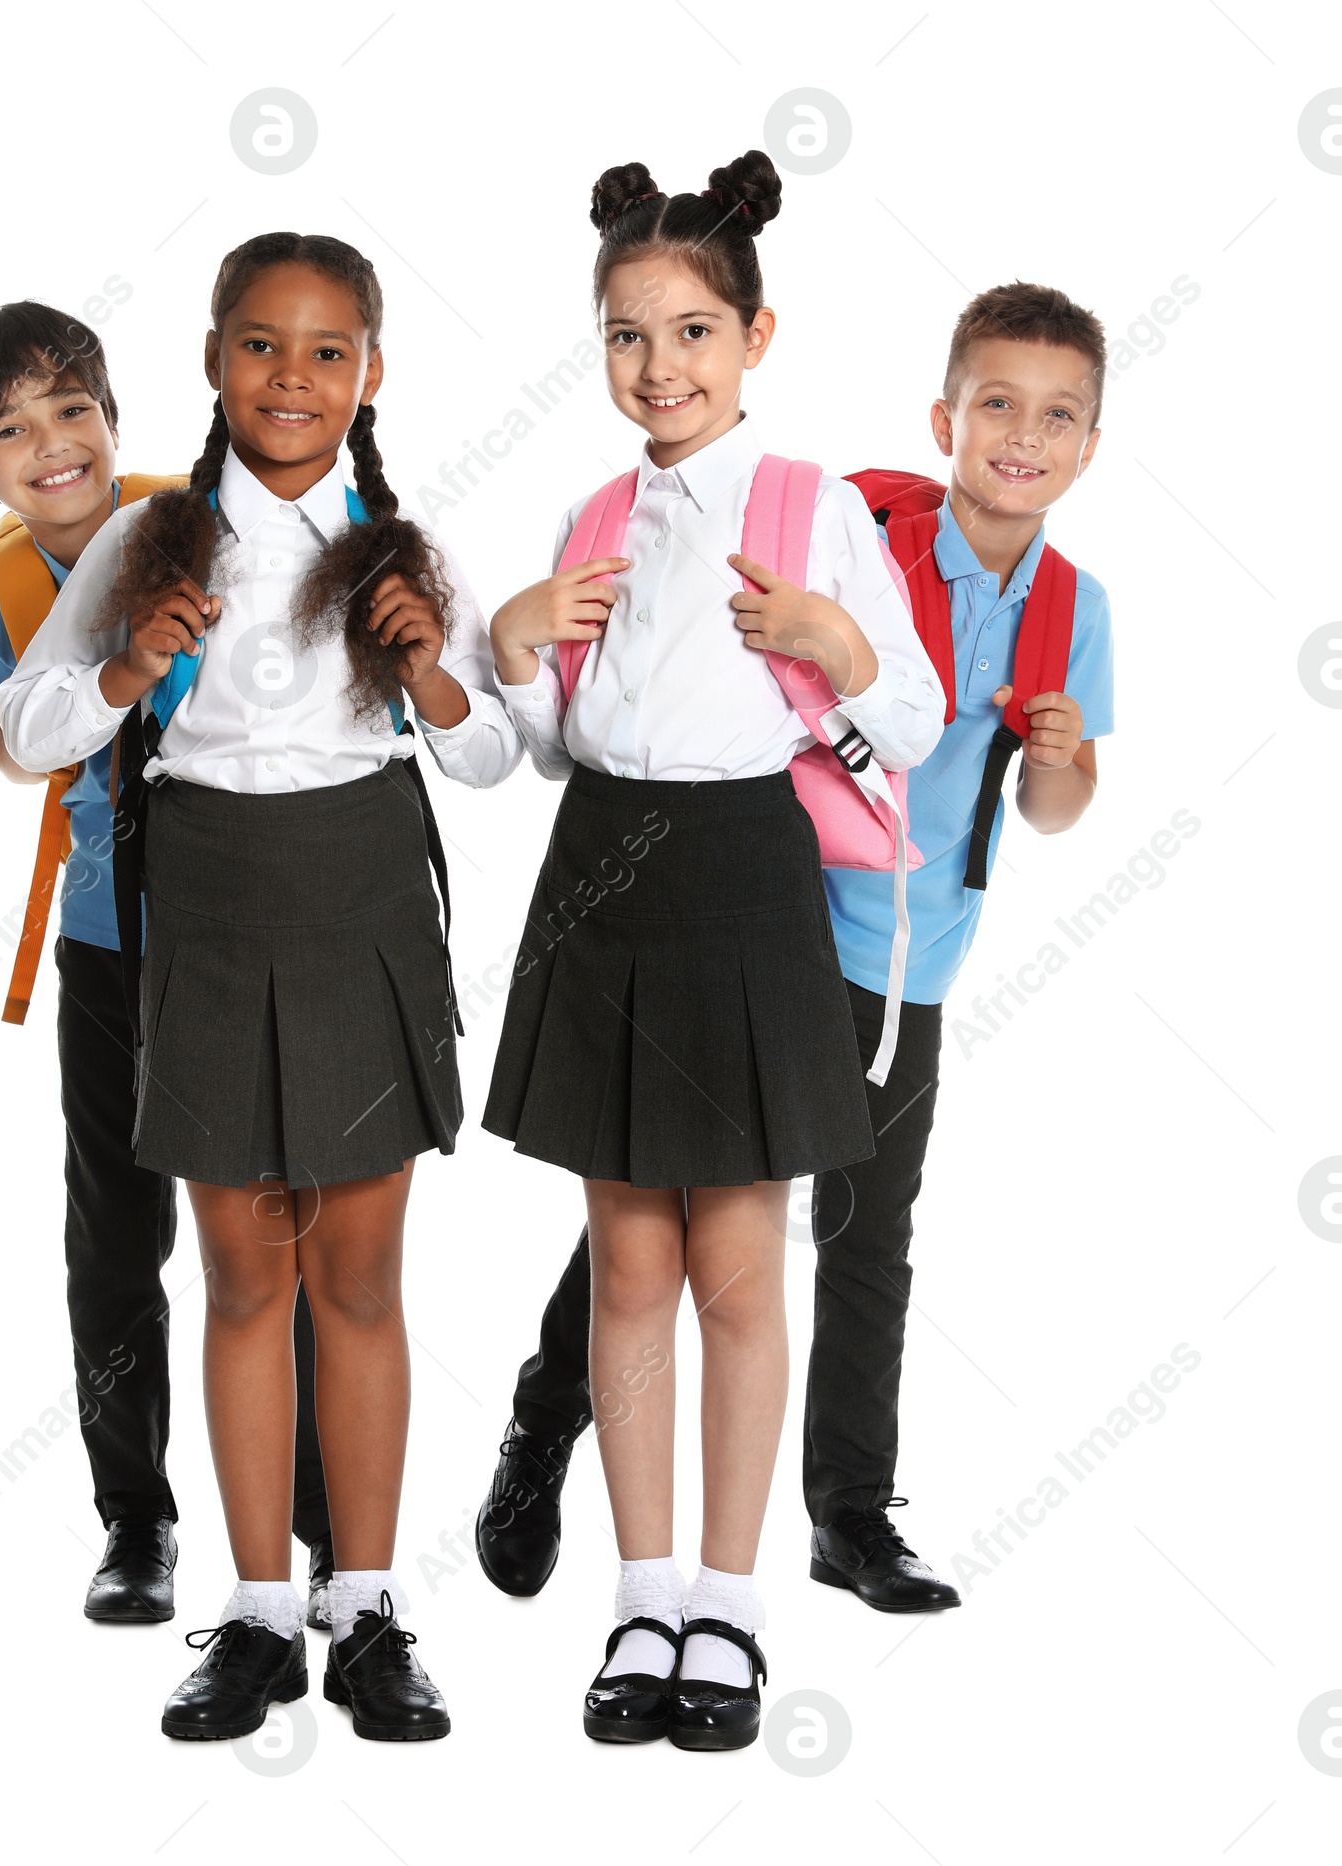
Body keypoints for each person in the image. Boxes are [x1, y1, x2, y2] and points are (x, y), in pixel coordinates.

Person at [474, 279, 1115, 1627]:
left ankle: (846, 1516)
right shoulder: (856, 521)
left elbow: (1041, 801)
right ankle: (549, 1422)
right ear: (944, 418)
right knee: (650, 1230)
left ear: (1087, 446)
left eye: (1056, 416)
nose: (1021, 434)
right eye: (995, 403)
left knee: (863, 1233)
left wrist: (1061, 761)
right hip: (767, 918)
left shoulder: (1072, 608)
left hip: (904, 956)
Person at [0, 232, 522, 1743]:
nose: (293, 379)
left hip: (364, 901)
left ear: (370, 374)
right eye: (261, 347)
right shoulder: (144, 543)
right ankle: (256, 1615)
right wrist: (115, 675)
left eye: (328, 352)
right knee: (242, 1275)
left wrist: (430, 675)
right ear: (215, 358)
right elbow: (31, 726)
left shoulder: (403, 543)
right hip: (209, 909)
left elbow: (495, 753)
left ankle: (365, 1603)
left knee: (356, 1275)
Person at [479, 152, 944, 1750]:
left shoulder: (814, 508)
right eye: (626, 335)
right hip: (601, 866)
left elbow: (913, 727)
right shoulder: (594, 510)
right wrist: (515, 644)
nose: (658, 366)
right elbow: (549, 742)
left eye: (690, 331)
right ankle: (643, 1597)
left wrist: (843, 647)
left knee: (739, 1268)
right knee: (629, 1261)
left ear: (755, 336)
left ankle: (732, 1609)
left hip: (747, 873)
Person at [0, 303, 188, 1623]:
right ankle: (135, 1518)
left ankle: (315, 1509)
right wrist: (68, 717)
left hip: (253, 927)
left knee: (282, 1223)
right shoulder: (8, 587)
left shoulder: (195, 519)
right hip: (110, 938)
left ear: (114, 417)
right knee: (115, 1238)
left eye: (72, 408)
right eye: (11, 430)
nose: (53, 443)